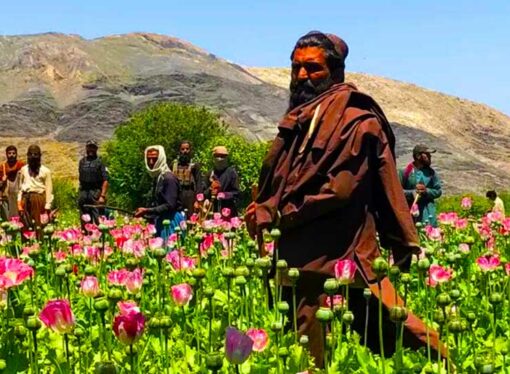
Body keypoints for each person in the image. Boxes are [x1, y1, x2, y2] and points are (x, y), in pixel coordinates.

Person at [245, 31, 443, 364]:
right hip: (297, 251)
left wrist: (279, 215)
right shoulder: (305, 115)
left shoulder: (356, 120)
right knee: (310, 341)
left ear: (336, 72)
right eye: (296, 68)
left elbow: (339, 190)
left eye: (313, 68)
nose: (302, 76)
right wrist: (265, 205)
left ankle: (443, 366)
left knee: (386, 326)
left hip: (339, 250)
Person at [134, 146, 184, 238]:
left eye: (155, 159)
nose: (151, 162)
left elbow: (170, 205)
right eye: (148, 159)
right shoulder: (158, 177)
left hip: (171, 221)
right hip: (162, 219)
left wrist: (147, 210)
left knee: (170, 250)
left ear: (161, 159)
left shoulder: (169, 178)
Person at [399, 144, 442, 227]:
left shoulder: (431, 173)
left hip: (428, 214)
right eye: (427, 154)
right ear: (418, 156)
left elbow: (438, 191)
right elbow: (397, 192)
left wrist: (427, 191)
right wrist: (412, 193)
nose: (430, 157)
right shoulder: (405, 172)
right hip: (410, 213)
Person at [17, 145, 53, 232]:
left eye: (36, 154)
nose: (33, 157)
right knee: (25, 225)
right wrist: (19, 203)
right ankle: (26, 244)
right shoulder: (23, 169)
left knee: (39, 225)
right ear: (27, 156)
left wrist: (48, 205)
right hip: (25, 199)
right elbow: (20, 188)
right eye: (30, 154)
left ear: (40, 156)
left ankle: (39, 244)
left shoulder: (46, 171)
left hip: (39, 199)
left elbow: (49, 189)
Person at [78, 140, 108, 226]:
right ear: (86, 148)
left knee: (98, 219)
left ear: (96, 149)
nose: (91, 149)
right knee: (85, 219)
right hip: (84, 192)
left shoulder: (100, 162)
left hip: (96, 193)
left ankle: (101, 236)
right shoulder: (82, 162)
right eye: (89, 147)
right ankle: (85, 236)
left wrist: (102, 196)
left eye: (93, 147)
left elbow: (105, 180)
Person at [171, 140, 203, 216]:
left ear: (190, 150)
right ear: (179, 150)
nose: (185, 151)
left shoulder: (195, 165)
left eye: (187, 149)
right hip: (177, 195)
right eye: (183, 149)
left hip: (190, 195)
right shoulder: (173, 165)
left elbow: (199, 183)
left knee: (191, 217)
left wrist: (198, 200)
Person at [205, 146, 240, 216]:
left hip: (228, 211)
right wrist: (211, 189)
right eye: (217, 156)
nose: (220, 159)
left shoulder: (232, 173)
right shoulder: (210, 173)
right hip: (212, 211)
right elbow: (204, 193)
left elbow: (237, 193)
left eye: (223, 156)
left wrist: (225, 195)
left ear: (226, 158)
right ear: (213, 157)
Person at [0, 145, 25, 220]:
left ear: (16, 154)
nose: (11, 155)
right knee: (8, 219)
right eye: (9, 153)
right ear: (6, 154)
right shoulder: (2, 167)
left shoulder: (21, 166)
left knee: (20, 219)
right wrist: (2, 181)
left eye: (13, 153)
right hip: (6, 197)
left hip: (19, 196)